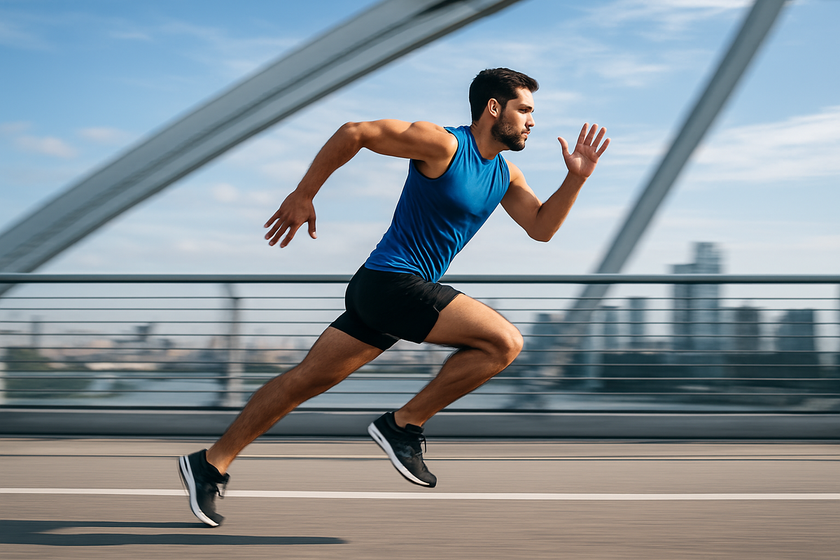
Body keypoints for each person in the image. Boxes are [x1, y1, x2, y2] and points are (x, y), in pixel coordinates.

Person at [178, 68, 609, 527]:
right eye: (525, 110)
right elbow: (355, 133)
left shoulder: (504, 174)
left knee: (304, 381)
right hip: (391, 282)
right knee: (504, 343)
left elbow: (541, 228)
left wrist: (577, 179)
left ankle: (209, 464)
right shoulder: (444, 145)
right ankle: (402, 425)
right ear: (493, 108)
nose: (532, 122)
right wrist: (304, 194)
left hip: (383, 291)